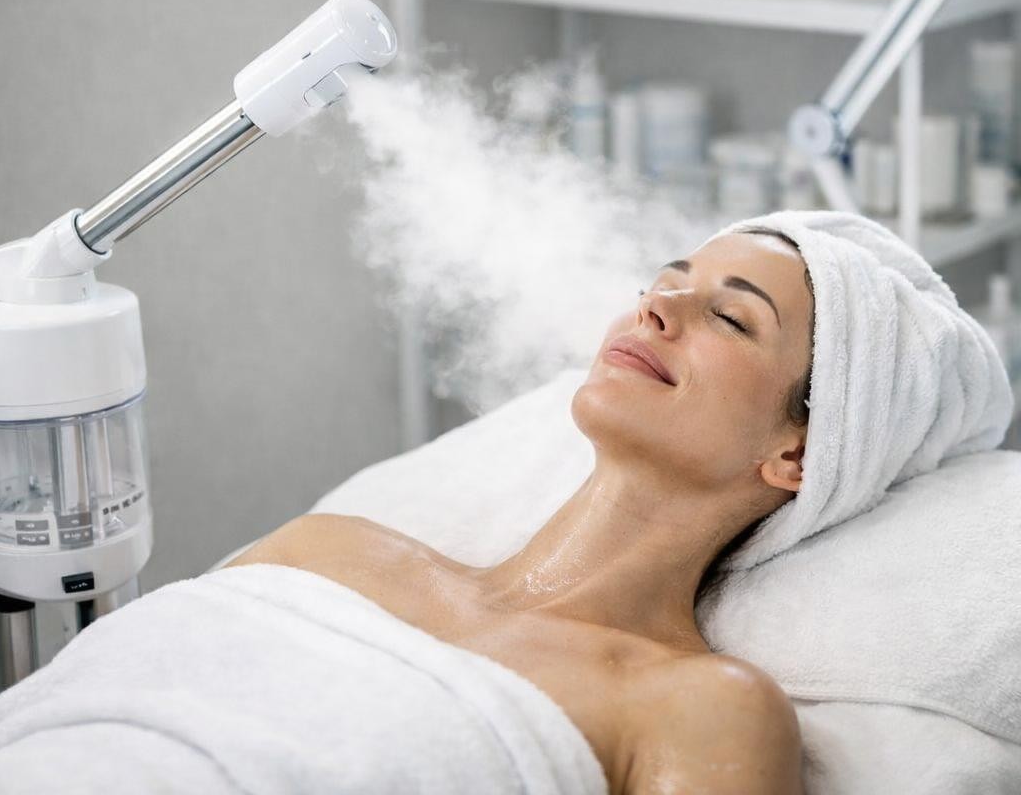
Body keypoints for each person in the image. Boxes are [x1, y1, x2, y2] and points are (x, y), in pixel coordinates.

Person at [229, 223, 814, 795]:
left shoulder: (699, 709)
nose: (655, 306)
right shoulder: (323, 555)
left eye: (731, 318)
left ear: (797, 452)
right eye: (658, 284)